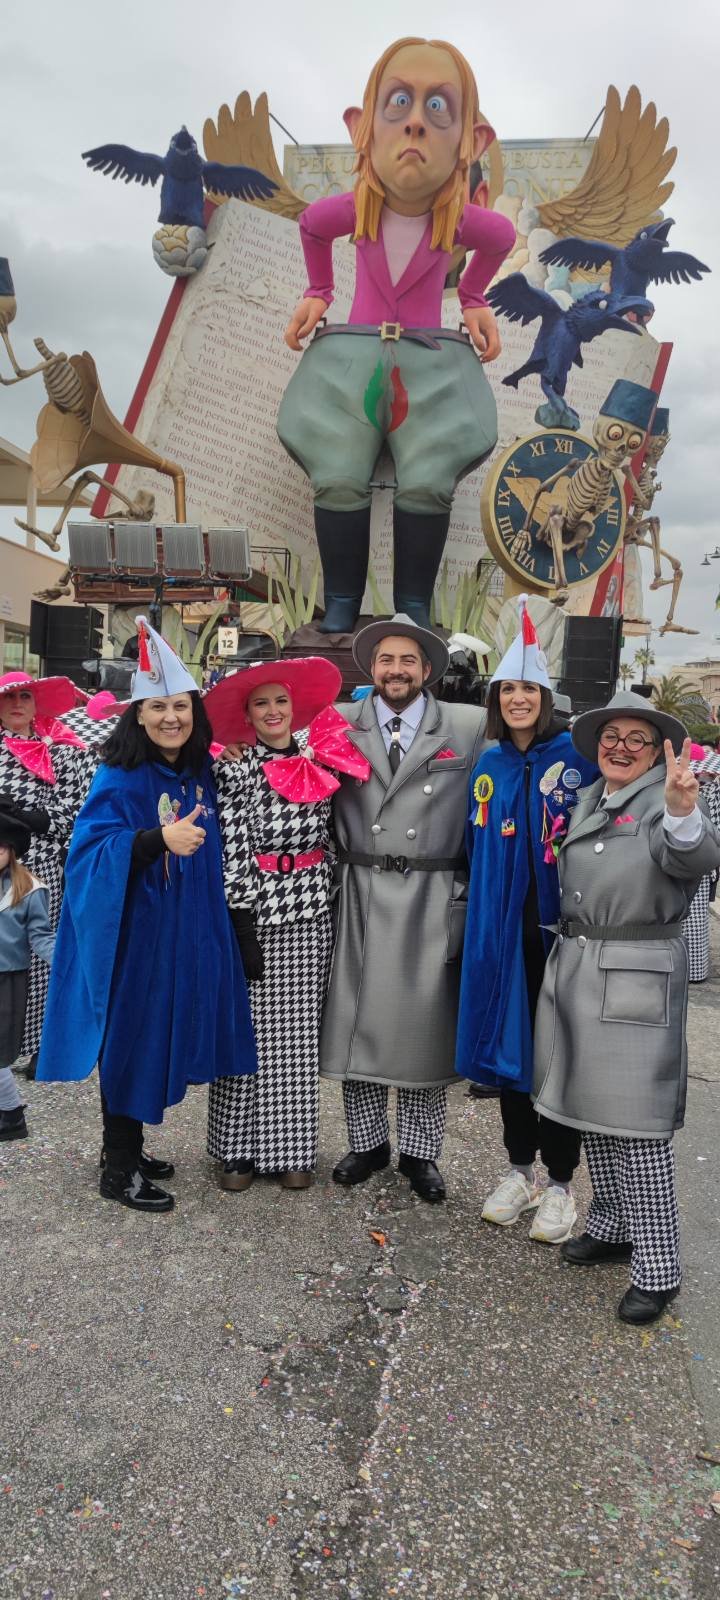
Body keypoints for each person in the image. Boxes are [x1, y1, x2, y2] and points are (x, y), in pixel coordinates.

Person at [278, 36, 515, 630]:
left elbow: (501, 238)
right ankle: (341, 602)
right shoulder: (357, 208)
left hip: (429, 361)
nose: (415, 124)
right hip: (353, 356)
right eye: (399, 103)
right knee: (338, 475)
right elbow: (312, 226)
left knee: (428, 482)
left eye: (438, 108)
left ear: (471, 141)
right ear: (362, 128)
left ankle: (413, 605)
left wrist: (473, 296)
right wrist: (319, 289)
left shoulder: (456, 219)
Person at [36, 617, 257, 1213]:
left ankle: (129, 1149)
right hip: (136, 937)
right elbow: (89, 852)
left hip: (182, 933)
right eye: (157, 707)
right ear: (137, 715)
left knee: (156, 1034)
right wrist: (157, 839)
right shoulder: (121, 774)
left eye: (180, 706)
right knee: (131, 1038)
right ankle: (118, 1168)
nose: (171, 718)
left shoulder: (196, 770)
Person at [533, 691, 720, 1324]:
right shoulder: (594, 794)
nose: (620, 747)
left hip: (635, 970)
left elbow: (694, 856)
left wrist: (683, 810)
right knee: (594, 1111)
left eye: (636, 739)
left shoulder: (665, 800)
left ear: (657, 752)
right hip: (584, 967)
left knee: (637, 1127)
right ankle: (613, 1224)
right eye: (611, 736)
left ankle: (659, 1268)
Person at [320, 613, 487, 1202]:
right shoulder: (337, 722)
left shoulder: (468, 725)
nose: (396, 670)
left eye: (408, 661)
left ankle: (421, 1153)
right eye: (387, 659)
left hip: (432, 893)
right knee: (357, 1021)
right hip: (359, 890)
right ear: (372, 667)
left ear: (427, 669)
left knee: (424, 1027)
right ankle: (367, 1144)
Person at [455, 599, 596, 1242]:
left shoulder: (577, 758)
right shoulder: (489, 763)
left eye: (528, 690)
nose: (518, 699)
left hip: (559, 932)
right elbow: (473, 843)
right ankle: (520, 1170)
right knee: (509, 1048)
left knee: (557, 1053)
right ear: (496, 699)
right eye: (507, 690)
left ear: (545, 697)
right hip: (500, 931)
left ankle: (562, 1182)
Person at [205, 659, 370, 1191]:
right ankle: (237, 1150)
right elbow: (231, 847)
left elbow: (336, 834)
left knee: (297, 1034)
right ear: (248, 714)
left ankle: (291, 1148)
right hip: (256, 908)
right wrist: (240, 921)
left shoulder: (319, 758)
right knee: (248, 1029)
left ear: (294, 708)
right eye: (262, 703)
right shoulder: (234, 767)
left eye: (280, 701)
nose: (273, 711)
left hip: (311, 911)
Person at [0, 670, 85, 1071]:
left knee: (40, 953)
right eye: (9, 697)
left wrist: (38, 818)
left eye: (25, 697)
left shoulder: (62, 750)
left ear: (36, 704)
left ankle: (40, 1045)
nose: (17, 704)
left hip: (43, 867)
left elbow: (78, 809)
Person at [0, 810, 55, 1141]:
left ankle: (12, 1117)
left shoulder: (30, 889)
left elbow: (41, 937)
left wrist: (68, 965)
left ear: (11, 851)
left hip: (8, 980)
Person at [682, 753, 720, 982]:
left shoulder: (703, 792)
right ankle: (695, 969)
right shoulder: (711, 791)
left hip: (689, 860)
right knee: (696, 918)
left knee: (687, 917)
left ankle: (689, 968)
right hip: (703, 861)